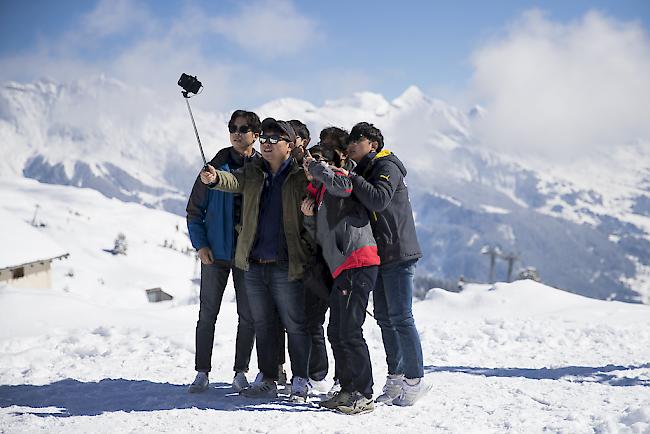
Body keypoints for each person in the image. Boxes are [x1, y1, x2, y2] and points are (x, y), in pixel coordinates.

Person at [200, 118, 314, 402]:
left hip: (286, 262)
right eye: (263, 137)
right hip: (253, 262)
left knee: (295, 323)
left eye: (274, 139)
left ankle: (301, 378)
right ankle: (267, 377)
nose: (266, 143)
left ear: (289, 145)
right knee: (263, 323)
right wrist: (215, 179)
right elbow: (233, 182)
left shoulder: (300, 177)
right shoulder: (253, 172)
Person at [345, 122, 429, 406]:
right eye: (349, 140)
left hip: (398, 252)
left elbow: (379, 200)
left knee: (401, 318)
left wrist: (352, 178)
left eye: (357, 139)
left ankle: (414, 380)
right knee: (384, 318)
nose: (351, 144)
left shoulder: (387, 166)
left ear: (373, 143)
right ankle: (395, 377)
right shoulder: (365, 170)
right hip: (379, 255)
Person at [301, 145, 381, 414]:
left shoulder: (340, 178)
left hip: (358, 261)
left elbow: (344, 184)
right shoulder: (322, 194)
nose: (313, 165)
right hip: (344, 268)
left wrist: (317, 166)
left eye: (320, 160)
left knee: (349, 330)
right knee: (336, 331)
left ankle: (364, 393)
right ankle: (348, 389)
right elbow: (323, 238)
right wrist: (309, 218)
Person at [186, 110, 261, 393]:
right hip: (215, 254)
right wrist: (201, 244)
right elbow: (194, 211)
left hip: (248, 254)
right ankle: (202, 372)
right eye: (233, 128)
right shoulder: (212, 168)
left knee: (249, 315)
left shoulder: (263, 166)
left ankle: (240, 371)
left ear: (255, 134)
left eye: (243, 128)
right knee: (207, 314)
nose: (237, 133)